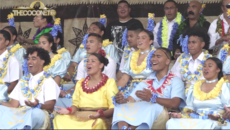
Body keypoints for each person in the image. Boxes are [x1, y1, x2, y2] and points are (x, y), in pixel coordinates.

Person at [112, 48, 185, 129]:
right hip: (144, 111)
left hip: (164, 113)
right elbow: (131, 99)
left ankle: (132, 128)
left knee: (152, 106)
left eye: (158, 56)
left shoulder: (176, 81)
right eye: (153, 56)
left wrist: (152, 98)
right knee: (119, 106)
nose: (154, 58)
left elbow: (175, 104)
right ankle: (124, 128)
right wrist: (122, 100)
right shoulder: (146, 81)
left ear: (168, 61)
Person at [53, 53, 118, 129]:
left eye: (93, 61)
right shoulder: (80, 83)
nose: (88, 63)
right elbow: (75, 104)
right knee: (59, 119)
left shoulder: (109, 83)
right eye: (87, 61)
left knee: (97, 123)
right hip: (80, 115)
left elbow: (113, 107)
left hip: (99, 117)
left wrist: (101, 114)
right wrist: (69, 111)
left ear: (101, 65)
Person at [0, 46, 60, 129]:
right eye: (28, 59)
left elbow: (50, 106)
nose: (29, 62)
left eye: (33, 58)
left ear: (42, 61)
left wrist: (38, 105)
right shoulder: (23, 80)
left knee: (35, 112)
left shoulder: (49, 81)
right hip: (21, 112)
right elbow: (13, 105)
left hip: (39, 112)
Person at [166, 57, 230, 129]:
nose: (206, 68)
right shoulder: (195, 87)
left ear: (218, 70)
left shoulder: (224, 86)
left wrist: (219, 117)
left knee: (213, 125)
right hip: (198, 119)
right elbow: (190, 110)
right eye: (204, 66)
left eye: (210, 66)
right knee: (171, 122)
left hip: (220, 121)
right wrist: (180, 116)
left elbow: (228, 112)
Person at [55, 33, 116, 108]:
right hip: (82, 98)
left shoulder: (110, 62)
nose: (87, 44)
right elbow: (78, 85)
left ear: (100, 45)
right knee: (56, 101)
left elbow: (109, 86)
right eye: (87, 42)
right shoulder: (83, 62)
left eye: (91, 42)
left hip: (100, 100)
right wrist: (66, 93)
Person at [171, 28, 212, 95]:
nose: (190, 45)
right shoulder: (181, 58)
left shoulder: (210, 60)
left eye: (194, 42)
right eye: (189, 42)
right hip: (183, 94)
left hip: (203, 95)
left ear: (202, 44)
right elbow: (175, 78)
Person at [117, 29, 155, 99]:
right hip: (131, 89)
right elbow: (124, 78)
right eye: (138, 38)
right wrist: (115, 91)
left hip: (148, 90)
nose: (139, 40)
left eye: (143, 38)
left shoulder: (155, 55)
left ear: (151, 41)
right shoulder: (132, 54)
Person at [0, 30, 22, 102]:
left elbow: (14, 85)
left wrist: (1, 92)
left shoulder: (13, 61)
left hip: (7, 96)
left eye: (0, 39)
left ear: (6, 42)